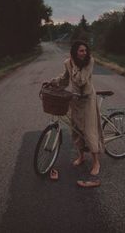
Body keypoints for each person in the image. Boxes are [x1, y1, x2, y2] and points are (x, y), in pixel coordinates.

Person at [50, 40, 104, 178]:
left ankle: (96, 162)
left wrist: (74, 64)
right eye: (81, 51)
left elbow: (81, 80)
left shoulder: (89, 61)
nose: (84, 53)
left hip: (87, 100)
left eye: (85, 50)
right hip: (75, 100)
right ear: (75, 52)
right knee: (76, 130)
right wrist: (53, 82)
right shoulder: (67, 63)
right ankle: (81, 156)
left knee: (89, 130)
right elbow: (64, 79)